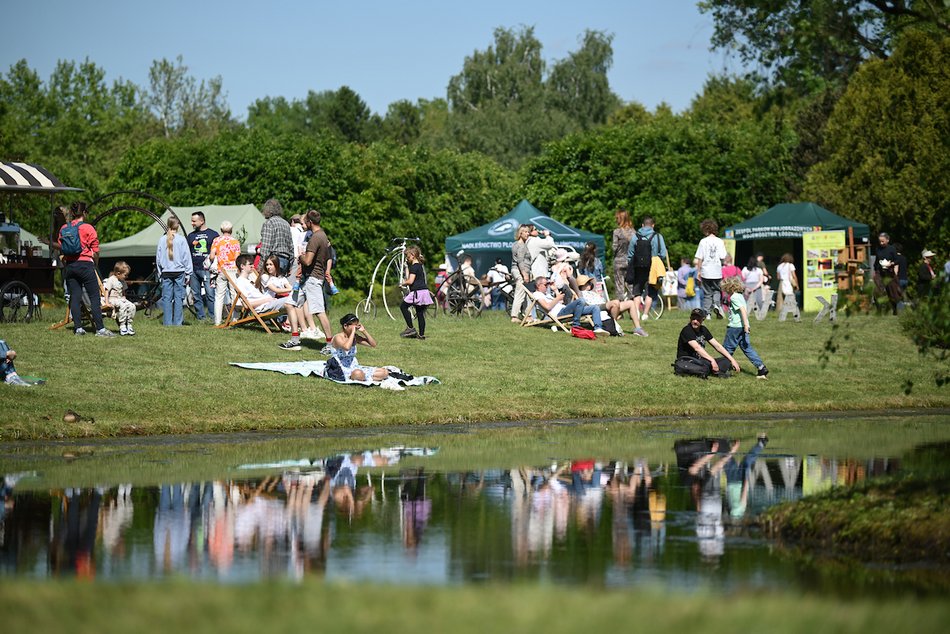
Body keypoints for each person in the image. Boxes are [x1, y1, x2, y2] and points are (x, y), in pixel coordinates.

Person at [57, 201, 114, 337]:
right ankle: (100, 329)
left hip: (70, 266)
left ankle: (78, 328)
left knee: (75, 297)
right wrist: (95, 264)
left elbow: (61, 246)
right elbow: (96, 250)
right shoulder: (88, 228)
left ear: (72, 213)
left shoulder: (64, 228)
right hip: (85, 265)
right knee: (94, 297)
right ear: (84, 213)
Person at [297, 209, 334, 351]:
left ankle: (330, 344)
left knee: (319, 312)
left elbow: (307, 261)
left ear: (310, 222)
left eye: (306, 221)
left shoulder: (315, 238)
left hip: (313, 278)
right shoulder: (324, 236)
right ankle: (294, 339)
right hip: (311, 278)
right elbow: (329, 257)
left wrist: (300, 255)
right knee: (291, 303)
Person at [720, 276, 769, 378]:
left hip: (735, 327)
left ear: (729, 288)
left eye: (725, 289)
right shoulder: (740, 296)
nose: (724, 291)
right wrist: (746, 325)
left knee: (727, 349)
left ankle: (723, 369)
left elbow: (742, 310)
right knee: (747, 348)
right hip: (742, 327)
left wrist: (746, 325)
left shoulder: (734, 297)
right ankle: (761, 367)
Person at [531, 276, 608, 335]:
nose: (547, 286)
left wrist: (555, 290)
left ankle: (598, 328)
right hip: (559, 313)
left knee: (595, 307)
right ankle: (576, 325)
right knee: (581, 300)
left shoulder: (547, 294)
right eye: (545, 284)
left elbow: (560, 301)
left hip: (564, 309)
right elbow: (547, 307)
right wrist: (557, 298)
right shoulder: (537, 294)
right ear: (538, 285)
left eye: (548, 284)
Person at [676, 308, 741, 377]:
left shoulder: (703, 330)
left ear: (703, 319)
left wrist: (732, 360)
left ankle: (712, 370)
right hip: (687, 361)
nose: (695, 321)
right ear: (690, 318)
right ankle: (714, 371)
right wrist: (712, 360)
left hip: (699, 360)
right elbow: (697, 348)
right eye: (693, 319)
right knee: (706, 365)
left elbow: (717, 346)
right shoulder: (687, 330)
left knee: (726, 360)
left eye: (698, 319)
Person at [626, 215, 668, 321]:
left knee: (637, 291)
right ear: (653, 225)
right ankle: (645, 314)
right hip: (652, 267)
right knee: (650, 291)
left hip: (638, 267)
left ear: (642, 225)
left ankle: (636, 312)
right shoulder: (657, 236)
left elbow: (630, 253)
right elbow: (663, 253)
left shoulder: (635, 236)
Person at [577, 274, 646, 336]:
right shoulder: (582, 293)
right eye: (588, 283)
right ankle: (613, 326)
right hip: (596, 307)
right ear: (583, 285)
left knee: (630, 303)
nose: (590, 284)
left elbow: (595, 283)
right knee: (615, 302)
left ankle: (638, 328)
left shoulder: (592, 292)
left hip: (604, 305)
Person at [328, 313, 389, 382]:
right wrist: (353, 332)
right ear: (345, 326)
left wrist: (364, 331)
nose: (356, 328)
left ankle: (363, 377)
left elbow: (373, 344)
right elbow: (347, 347)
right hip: (340, 368)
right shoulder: (338, 337)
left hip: (354, 366)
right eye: (354, 326)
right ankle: (363, 377)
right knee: (358, 373)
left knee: (384, 372)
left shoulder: (354, 337)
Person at [155, 216, 193, 326]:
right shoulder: (181, 239)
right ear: (178, 226)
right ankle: (178, 322)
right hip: (179, 271)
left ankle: (167, 322)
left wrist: (160, 272)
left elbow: (158, 258)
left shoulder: (162, 239)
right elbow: (186, 256)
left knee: (166, 298)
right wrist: (188, 272)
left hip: (166, 271)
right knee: (178, 298)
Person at [208, 221, 242, 326]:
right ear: (231, 230)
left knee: (219, 296)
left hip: (221, 270)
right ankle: (234, 319)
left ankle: (217, 321)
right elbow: (237, 258)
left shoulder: (216, 240)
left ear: (221, 230)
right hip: (232, 270)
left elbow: (212, 256)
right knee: (234, 294)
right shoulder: (235, 241)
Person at [186, 211, 218, 321]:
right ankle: (201, 318)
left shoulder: (213, 235)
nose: (192, 223)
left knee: (210, 294)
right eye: (191, 221)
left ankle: (213, 317)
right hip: (193, 269)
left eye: (194, 221)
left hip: (207, 270)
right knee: (196, 294)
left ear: (202, 221)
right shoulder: (190, 236)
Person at [399, 245, 434, 340]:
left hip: (417, 292)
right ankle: (421, 335)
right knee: (420, 313)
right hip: (423, 291)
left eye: (408, 256)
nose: (407, 258)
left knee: (403, 306)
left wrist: (402, 283)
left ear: (413, 255)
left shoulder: (414, 267)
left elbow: (410, 281)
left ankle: (410, 328)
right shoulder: (419, 266)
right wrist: (406, 267)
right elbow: (410, 277)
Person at [694, 219, 727, 319]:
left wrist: (698, 271)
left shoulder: (703, 241)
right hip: (716, 271)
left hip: (706, 271)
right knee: (717, 290)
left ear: (705, 229)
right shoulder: (720, 241)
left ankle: (707, 313)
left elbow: (700, 258)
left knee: (707, 293)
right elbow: (723, 256)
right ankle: (716, 304)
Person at [259, 198, 294, 275]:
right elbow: (291, 247)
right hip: (285, 261)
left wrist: (261, 266)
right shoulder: (286, 223)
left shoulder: (269, 223)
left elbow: (265, 247)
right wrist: (290, 265)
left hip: (273, 261)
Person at [102, 261, 137, 336]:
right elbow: (106, 291)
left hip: (120, 299)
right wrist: (107, 302)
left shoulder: (122, 281)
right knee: (123, 306)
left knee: (132, 306)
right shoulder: (111, 279)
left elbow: (123, 291)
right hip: (112, 299)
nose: (126, 277)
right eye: (125, 275)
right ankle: (122, 325)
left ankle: (129, 324)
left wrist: (124, 298)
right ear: (118, 273)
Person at [872, 232, 900, 315]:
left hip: (889, 272)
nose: (881, 243)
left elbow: (897, 260)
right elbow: (877, 261)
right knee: (877, 290)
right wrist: (875, 270)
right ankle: (878, 309)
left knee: (892, 291)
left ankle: (894, 309)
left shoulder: (892, 249)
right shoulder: (878, 249)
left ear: (887, 240)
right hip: (879, 272)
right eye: (880, 241)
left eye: (883, 241)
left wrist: (891, 264)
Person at [510, 224, 533, 322]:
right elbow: (520, 261)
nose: (528, 234)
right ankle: (514, 316)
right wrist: (524, 274)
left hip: (517, 270)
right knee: (519, 293)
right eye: (526, 232)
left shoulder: (516, 244)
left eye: (528, 232)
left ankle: (528, 315)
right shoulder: (521, 246)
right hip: (520, 271)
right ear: (520, 233)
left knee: (525, 294)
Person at [612, 208, 635, 299]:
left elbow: (614, 248)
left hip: (618, 262)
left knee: (619, 288)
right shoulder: (633, 232)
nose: (616, 220)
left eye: (617, 218)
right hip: (630, 262)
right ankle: (633, 306)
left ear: (620, 219)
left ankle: (620, 306)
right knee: (631, 287)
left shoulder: (617, 232)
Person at [775, 253, 801, 322]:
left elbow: (778, 277)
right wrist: (797, 284)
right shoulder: (790, 265)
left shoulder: (779, 266)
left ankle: (780, 314)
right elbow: (794, 275)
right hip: (788, 282)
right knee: (791, 298)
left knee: (780, 300)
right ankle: (795, 313)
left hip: (781, 283)